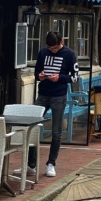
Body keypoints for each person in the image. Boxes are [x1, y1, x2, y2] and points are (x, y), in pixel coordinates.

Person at [28, 31, 79, 178]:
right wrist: (40, 76)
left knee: (56, 131)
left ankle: (51, 163)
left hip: (58, 95)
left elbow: (75, 76)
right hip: (43, 93)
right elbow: (36, 71)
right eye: (51, 48)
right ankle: (31, 163)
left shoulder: (69, 54)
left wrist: (60, 78)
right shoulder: (43, 52)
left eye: (56, 48)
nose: (53, 51)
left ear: (61, 42)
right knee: (32, 126)